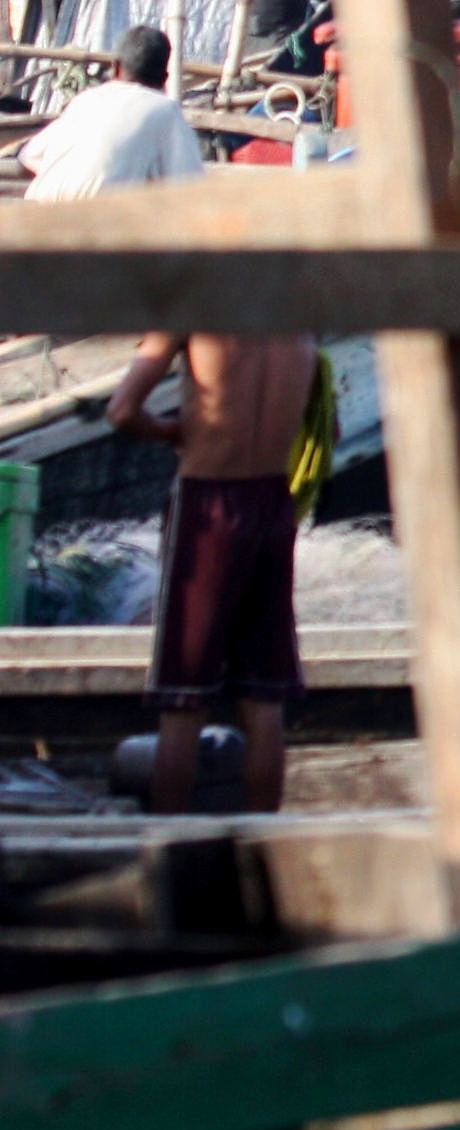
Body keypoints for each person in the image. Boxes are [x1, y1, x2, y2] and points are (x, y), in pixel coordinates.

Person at [107, 319, 313, 814]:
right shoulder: (302, 327)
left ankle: (172, 849)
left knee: (184, 697)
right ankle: (266, 847)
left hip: (209, 503)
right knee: (265, 701)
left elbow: (121, 412)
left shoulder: (193, 314)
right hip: (273, 502)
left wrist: (172, 431)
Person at [22, 26, 200, 196]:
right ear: (165, 77)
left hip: (41, 209)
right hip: (95, 218)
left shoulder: (86, 100)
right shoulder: (165, 111)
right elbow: (189, 184)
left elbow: (30, 155)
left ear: (115, 67)